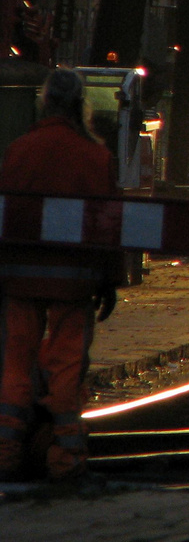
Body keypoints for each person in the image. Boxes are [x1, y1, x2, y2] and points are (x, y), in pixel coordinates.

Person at [0, 69, 119, 481]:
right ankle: (65, 459)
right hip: (74, 283)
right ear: (79, 106)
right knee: (66, 367)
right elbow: (108, 225)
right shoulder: (97, 157)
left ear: (45, 102)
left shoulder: (19, 151)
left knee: (16, 364)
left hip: (20, 281)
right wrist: (109, 280)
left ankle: (6, 452)